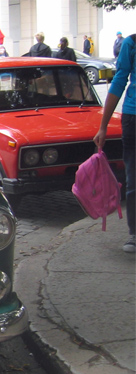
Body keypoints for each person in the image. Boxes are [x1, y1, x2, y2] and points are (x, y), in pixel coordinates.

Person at [93, 34, 136, 253]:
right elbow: (120, 80)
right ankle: (135, 233)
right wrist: (103, 125)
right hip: (133, 117)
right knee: (134, 178)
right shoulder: (132, 43)